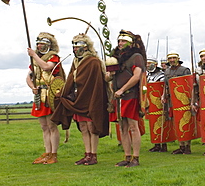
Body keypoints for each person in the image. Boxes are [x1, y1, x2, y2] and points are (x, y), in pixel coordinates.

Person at [50, 33, 109, 165]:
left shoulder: (93, 61)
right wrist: (64, 92)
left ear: (86, 47)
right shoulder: (76, 61)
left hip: (90, 98)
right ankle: (87, 154)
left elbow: (93, 82)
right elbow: (72, 79)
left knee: (91, 126)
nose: (75, 49)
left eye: (78, 47)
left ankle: (93, 155)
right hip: (78, 98)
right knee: (83, 126)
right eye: (74, 47)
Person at [108, 30, 146, 167]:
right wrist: (110, 72)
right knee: (122, 128)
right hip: (118, 98)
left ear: (130, 43)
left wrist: (122, 89)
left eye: (123, 41)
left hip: (131, 95)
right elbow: (108, 77)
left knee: (133, 126)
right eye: (119, 41)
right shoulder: (116, 58)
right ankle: (127, 156)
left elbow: (137, 76)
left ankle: (135, 158)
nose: (120, 43)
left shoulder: (136, 57)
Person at [26, 32, 65, 164]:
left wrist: (34, 55)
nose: (39, 45)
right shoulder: (35, 60)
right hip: (39, 95)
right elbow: (29, 77)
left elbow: (46, 67)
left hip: (50, 96)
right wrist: (32, 87)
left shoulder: (53, 57)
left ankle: (53, 154)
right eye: (38, 44)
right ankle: (47, 152)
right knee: (44, 126)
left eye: (42, 43)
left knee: (51, 125)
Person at [162, 51, 192, 154]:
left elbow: (189, 85)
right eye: (170, 59)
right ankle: (181, 146)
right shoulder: (167, 72)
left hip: (183, 100)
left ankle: (187, 146)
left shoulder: (185, 70)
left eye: (174, 58)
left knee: (185, 120)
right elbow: (165, 86)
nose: (172, 60)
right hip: (171, 100)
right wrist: (163, 95)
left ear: (178, 59)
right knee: (176, 122)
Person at [146, 56, 168, 152]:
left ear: (154, 64)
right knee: (153, 122)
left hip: (160, 102)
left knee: (161, 122)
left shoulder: (161, 76)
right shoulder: (147, 75)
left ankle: (163, 144)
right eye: (146, 63)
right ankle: (156, 144)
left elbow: (162, 88)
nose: (147, 65)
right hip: (151, 102)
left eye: (149, 63)